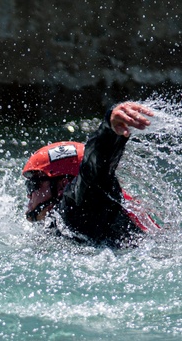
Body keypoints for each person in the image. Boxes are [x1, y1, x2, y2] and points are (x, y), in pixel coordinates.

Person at [22, 102, 161, 247]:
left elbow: (95, 166)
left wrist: (109, 130)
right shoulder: (60, 219)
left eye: (33, 185)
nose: (29, 195)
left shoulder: (80, 205)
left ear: (63, 185)